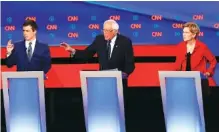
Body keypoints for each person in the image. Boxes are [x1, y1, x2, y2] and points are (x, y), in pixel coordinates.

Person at [174, 22, 217, 131]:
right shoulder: (179, 46)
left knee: (199, 110)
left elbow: (213, 61)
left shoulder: (202, 47)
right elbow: (177, 64)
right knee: (185, 109)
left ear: (194, 34)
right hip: (184, 82)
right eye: (183, 32)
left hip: (199, 82)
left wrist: (208, 72)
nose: (183, 35)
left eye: (186, 33)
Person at [60, 19, 135, 79]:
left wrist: (125, 73)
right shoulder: (99, 40)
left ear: (115, 31)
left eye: (107, 31)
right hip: (103, 79)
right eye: (104, 30)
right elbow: (87, 54)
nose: (105, 33)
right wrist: (72, 50)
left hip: (119, 81)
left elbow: (130, 62)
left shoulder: (125, 42)